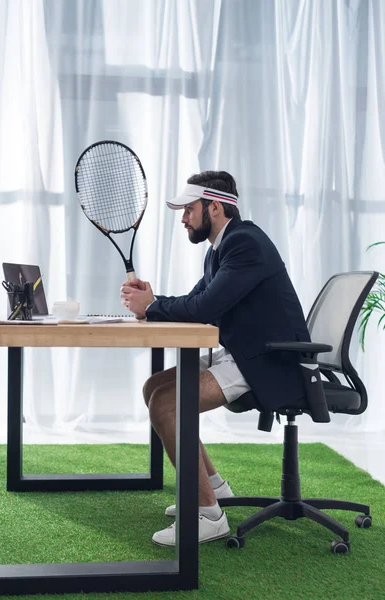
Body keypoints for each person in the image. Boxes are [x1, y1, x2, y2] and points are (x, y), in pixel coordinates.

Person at [120, 170, 310, 547]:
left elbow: (205, 306)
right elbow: (197, 303)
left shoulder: (245, 243)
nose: (183, 217)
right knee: (154, 386)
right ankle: (216, 488)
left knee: (166, 405)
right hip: (246, 352)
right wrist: (154, 302)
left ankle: (208, 515)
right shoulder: (221, 249)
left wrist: (153, 306)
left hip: (269, 361)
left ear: (216, 207)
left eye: (189, 209)